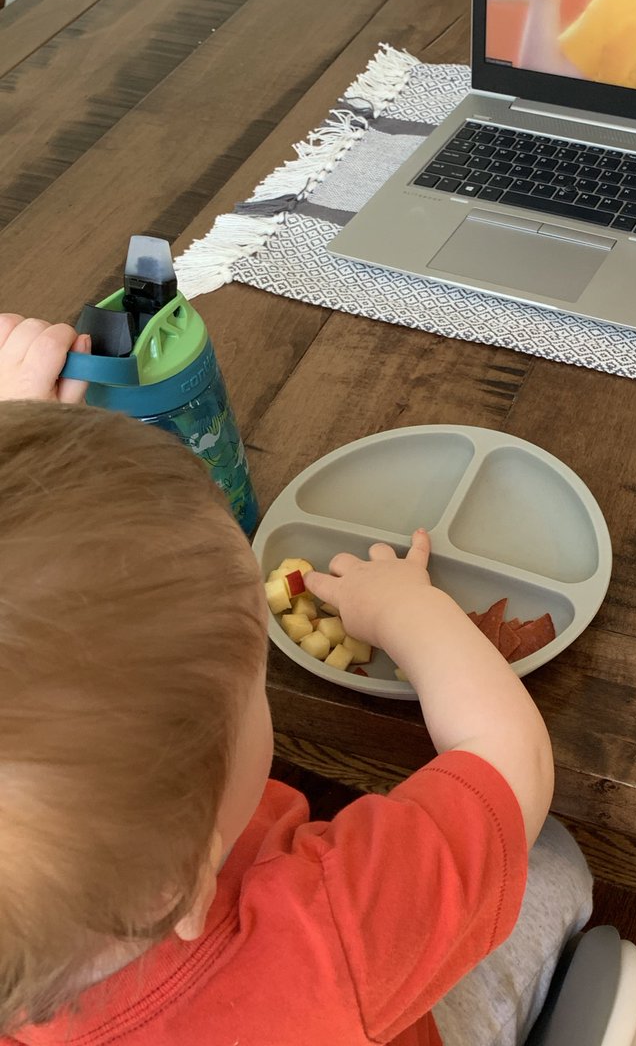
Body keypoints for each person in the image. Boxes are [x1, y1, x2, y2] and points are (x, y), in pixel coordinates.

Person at [0, 313, 592, 1046]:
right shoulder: (328, 930)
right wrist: (414, 613)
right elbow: (510, 760)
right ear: (177, 888)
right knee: (556, 860)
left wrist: (25, 453)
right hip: (385, 1002)